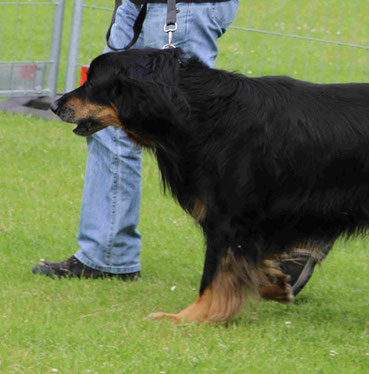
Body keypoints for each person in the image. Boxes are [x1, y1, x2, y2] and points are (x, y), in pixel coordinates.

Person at [33, 0, 328, 295]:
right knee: (107, 121)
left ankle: (297, 239)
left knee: (208, 152)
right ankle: (107, 255)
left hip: (182, 8)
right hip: (137, 6)